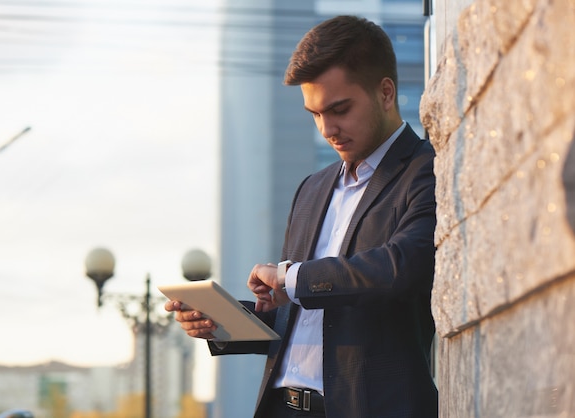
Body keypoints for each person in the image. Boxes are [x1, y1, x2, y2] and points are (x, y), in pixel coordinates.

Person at [165, 15, 438, 417]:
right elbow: (303, 319)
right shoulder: (312, 189)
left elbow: (401, 267)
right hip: (281, 407)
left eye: (339, 109)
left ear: (385, 92)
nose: (327, 128)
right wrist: (222, 322)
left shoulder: (428, 169)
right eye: (314, 113)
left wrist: (291, 277)